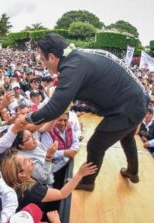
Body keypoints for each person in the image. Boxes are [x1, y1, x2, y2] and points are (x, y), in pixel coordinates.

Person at [23, 34, 149, 191]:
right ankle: (133, 172)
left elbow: (56, 108)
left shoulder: (71, 67)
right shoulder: (77, 58)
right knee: (127, 136)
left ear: (52, 57)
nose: (43, 64)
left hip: (127, 107)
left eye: (42, 60)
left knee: (95, 146)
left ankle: (88, 182)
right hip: (136, 100)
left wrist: (28, 118)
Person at [1, 154, 97, 213]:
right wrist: (80, 174)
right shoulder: (33, 190)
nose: (29, 159)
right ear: (21, 173)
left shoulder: (16, 185)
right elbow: (62, 194)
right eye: (26, 161)